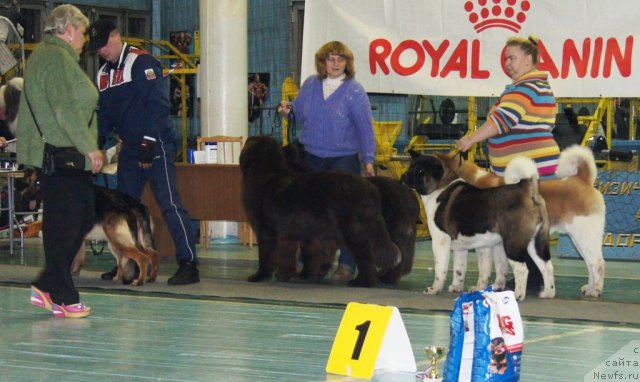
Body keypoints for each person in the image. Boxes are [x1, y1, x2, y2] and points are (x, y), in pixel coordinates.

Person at [87, 19, 199, 285]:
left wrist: (149, 142)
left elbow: (157, 105)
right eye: (97, 48)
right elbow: (104, 117)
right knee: (123, 209)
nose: (101, 50)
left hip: (155, 143)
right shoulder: (103, 74)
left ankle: (189, 263)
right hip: (128, 149)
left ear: (117, 36)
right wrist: (94, 146)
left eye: (104, 44)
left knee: (169, 204)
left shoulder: (143, 62)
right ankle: (129, 265)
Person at [17, 4, 104, 318]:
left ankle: (48, 285)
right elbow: (65, 111)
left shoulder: (53, 57)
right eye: (82, 32)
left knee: (78, 218)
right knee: (67, 223)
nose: (84, 39)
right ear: (68, 30)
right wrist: (90, 148)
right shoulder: (55, 59)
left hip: (64, 155)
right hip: (62, 154)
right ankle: (63, 295)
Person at [456, 35, 561, 291]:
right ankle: (532, 277)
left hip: (528, 169)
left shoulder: (525, 87)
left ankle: (533, 279)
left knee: (525, 224)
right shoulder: (531, 86)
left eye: (512, 58)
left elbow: (501, 122)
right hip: (527, 168)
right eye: (505, 59)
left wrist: (471, 139)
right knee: (531, 224)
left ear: (529, 59)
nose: (508, 63)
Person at [278, 41, 376, 281]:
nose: (335, 63)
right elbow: (299, 114)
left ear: (347, 64)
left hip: (344, 161)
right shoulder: (310, 84)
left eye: (340, 59)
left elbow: (365, 129)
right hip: (311, 160)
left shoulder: (355, 91)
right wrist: (287, 109)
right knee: (309, 217)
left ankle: (347, 266)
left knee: (346, 217)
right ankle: (310, 264)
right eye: (330, 58)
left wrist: (369, 160)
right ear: (322, 62)